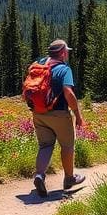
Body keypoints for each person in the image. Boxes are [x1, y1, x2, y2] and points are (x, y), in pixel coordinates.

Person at [29, 39, 86, 197]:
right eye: (66, 51)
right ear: (62, 53)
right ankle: (69, 178)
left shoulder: (38, 64)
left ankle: (39, 175)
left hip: (38, 112)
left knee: (45, 145)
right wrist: (78, 114)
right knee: (67, 146)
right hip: (59, 113)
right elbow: (68, 92)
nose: (67, 53)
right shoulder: (63, 69)